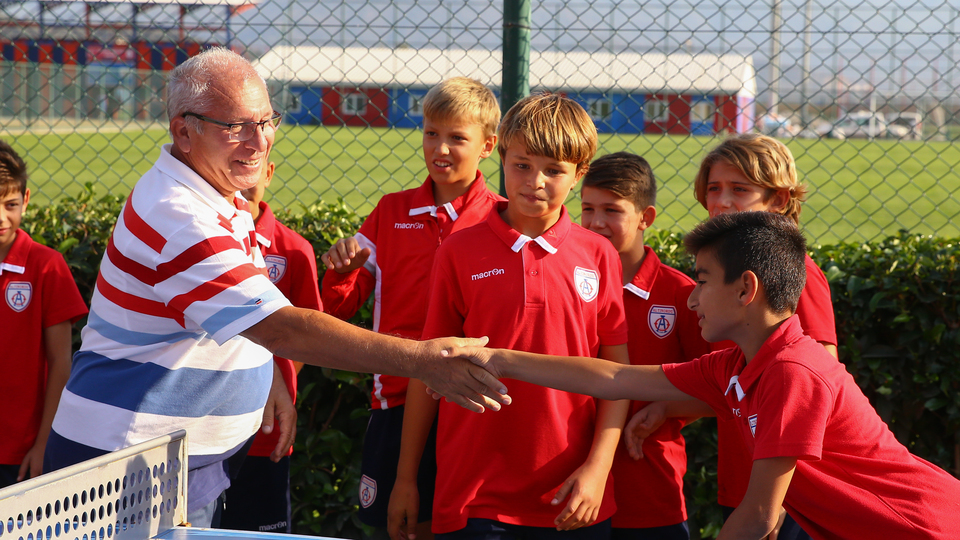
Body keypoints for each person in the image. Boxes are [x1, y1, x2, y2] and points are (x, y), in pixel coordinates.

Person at [42, 47, 508, 528]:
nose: (259, 141)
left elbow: (241, 319)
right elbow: (282, 329)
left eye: (267, 121)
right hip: (125, 472)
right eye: (235, 126)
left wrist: (266, 374)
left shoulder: (219, 194)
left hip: (171, 462)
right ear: (184, 131)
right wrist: (424, 360)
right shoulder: (181, 218)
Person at [450, 211, 960, 540]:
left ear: (746, 289)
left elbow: (760, 518)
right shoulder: (732, 364)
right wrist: (498, 358)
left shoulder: (793, 372)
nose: (691, 297)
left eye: (702, 281)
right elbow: (613, 379)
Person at [389, 93, 630, 540]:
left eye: (554, 170)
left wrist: (598, 468)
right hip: (473, 495)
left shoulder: (598, 255)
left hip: (572, 496)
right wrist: (406, 479)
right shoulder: (458, 251)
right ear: (502, 156)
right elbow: (429, 369)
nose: (535, 181)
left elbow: (617, 376)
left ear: (579, 175)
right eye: (522, 165)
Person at [626, 134, 836, 539]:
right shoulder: (725, 275)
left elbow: (816, 385)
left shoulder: (793, 274)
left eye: (740, 190)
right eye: (713, 189)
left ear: (778, 199)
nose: (721, 201)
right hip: (745, 476)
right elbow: (737, 390)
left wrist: (774, 502)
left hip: (788, 489)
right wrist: (667, 409)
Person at [320, 76, 502, 540]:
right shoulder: (391, 211)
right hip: (397, 397)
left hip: (474, 404)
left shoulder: (501, 218)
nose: (441, 148)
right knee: (394, 527)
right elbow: (336, 309)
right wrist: (343, 271)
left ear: (488, 145)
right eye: (431, 133)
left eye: (457, 137)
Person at [579, 152, 710, 540]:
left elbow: (723, 388)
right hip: (568, 484)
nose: (596, 222)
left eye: (612, 210)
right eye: (587, 208)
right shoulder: (566, 282)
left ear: (645, 218)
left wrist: (666, 408)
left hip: (650, 491)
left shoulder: (682, 294)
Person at [219, 160, 321, 532]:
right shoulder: (203, 244)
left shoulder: (294, 250)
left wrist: (270, 385)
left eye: (252, 173)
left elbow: (307, 341)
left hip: (266, 431)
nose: (242, 185)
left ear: (269, 172)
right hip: (210, 424)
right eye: (231, 173)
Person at [0, 139, 88, 489]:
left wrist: (43, 442)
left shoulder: (46, 266)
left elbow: (61, 362)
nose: (1, 217)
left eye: (10, 204)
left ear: (26, 199)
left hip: (22, 451)